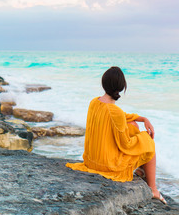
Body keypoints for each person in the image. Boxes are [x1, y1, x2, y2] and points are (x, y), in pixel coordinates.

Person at [66, 66, 167, 204]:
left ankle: (141, 171)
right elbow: (126, 144)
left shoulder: (94, 102)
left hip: (91, 160)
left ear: (104, 84)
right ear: (121, 87)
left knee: (132, 125)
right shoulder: (115, 112)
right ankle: (153, 189)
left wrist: (142, 119)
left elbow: (122, 116)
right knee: (148, 143)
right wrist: (143, 138)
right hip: (107, 165)